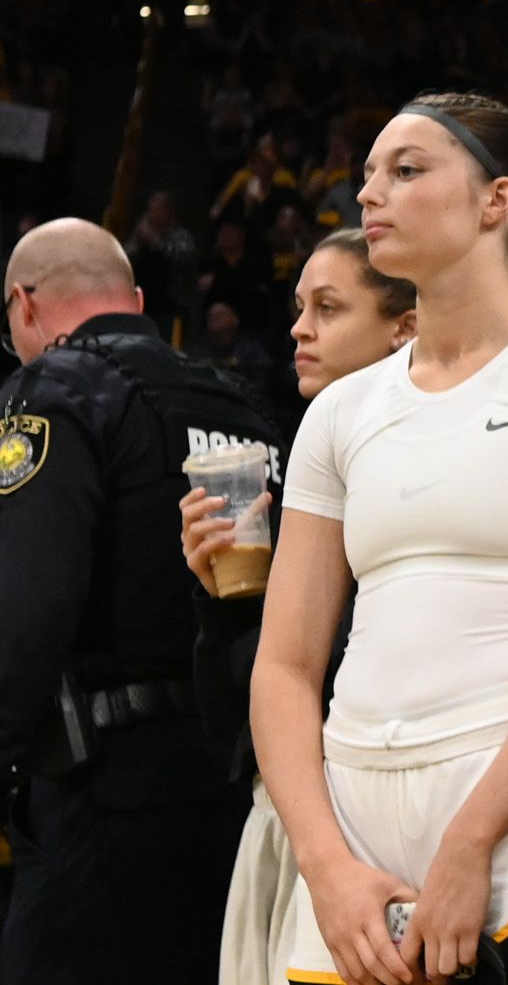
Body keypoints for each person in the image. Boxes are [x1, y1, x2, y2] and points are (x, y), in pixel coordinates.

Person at [252, 93, 508, 984]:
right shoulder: (337, 411)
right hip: (349, 816)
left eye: (406, 170)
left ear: (496, 200)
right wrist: (324, 867)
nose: (370, 194)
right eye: (366, 175)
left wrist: (471, 838)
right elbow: (282, 666)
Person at [0, 218, 283, 982]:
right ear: (136, 299)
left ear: (24, 307)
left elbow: (24, 614)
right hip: (230, 784)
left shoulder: (50, 392)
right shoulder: (239, 400)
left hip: (99, 804)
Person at [180, 228, 417, 985]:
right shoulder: (307, 479)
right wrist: (220, 598)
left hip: (380, 826)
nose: (298, 327)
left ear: (402, 328)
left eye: (327, 307)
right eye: (297, 306)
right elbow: (232, 727)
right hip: (283, 824)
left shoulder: (420, 488)